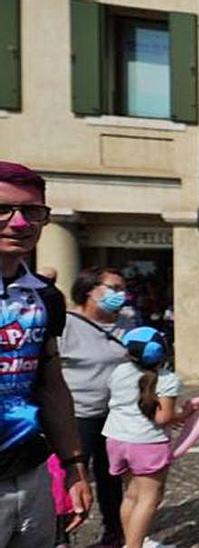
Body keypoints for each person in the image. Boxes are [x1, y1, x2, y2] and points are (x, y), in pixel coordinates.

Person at [0, 160, 93, 547]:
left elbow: (51, 382)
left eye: (31, 211)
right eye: (3, 209)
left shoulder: (46, 296)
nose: (19, 223)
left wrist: (73, 467)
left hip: (31, 470)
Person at [58, 266, 132, 546]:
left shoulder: (126, 322)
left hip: (115, 414)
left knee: (111, 477)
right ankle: (60, 533)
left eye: (122, 288)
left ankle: (114, 531)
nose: (120, 294)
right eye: (113, 288)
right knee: (71, 476)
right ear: (89, 290)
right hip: (77, 415)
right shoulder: (65, 324)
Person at [102, 327, 180, 548]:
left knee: (131, 495)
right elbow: (163, 417)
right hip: (148, 444)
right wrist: (186, 414)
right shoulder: (167, 379)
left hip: (116, 440)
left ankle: (131, 542)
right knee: (149, 498)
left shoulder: (119, 372)